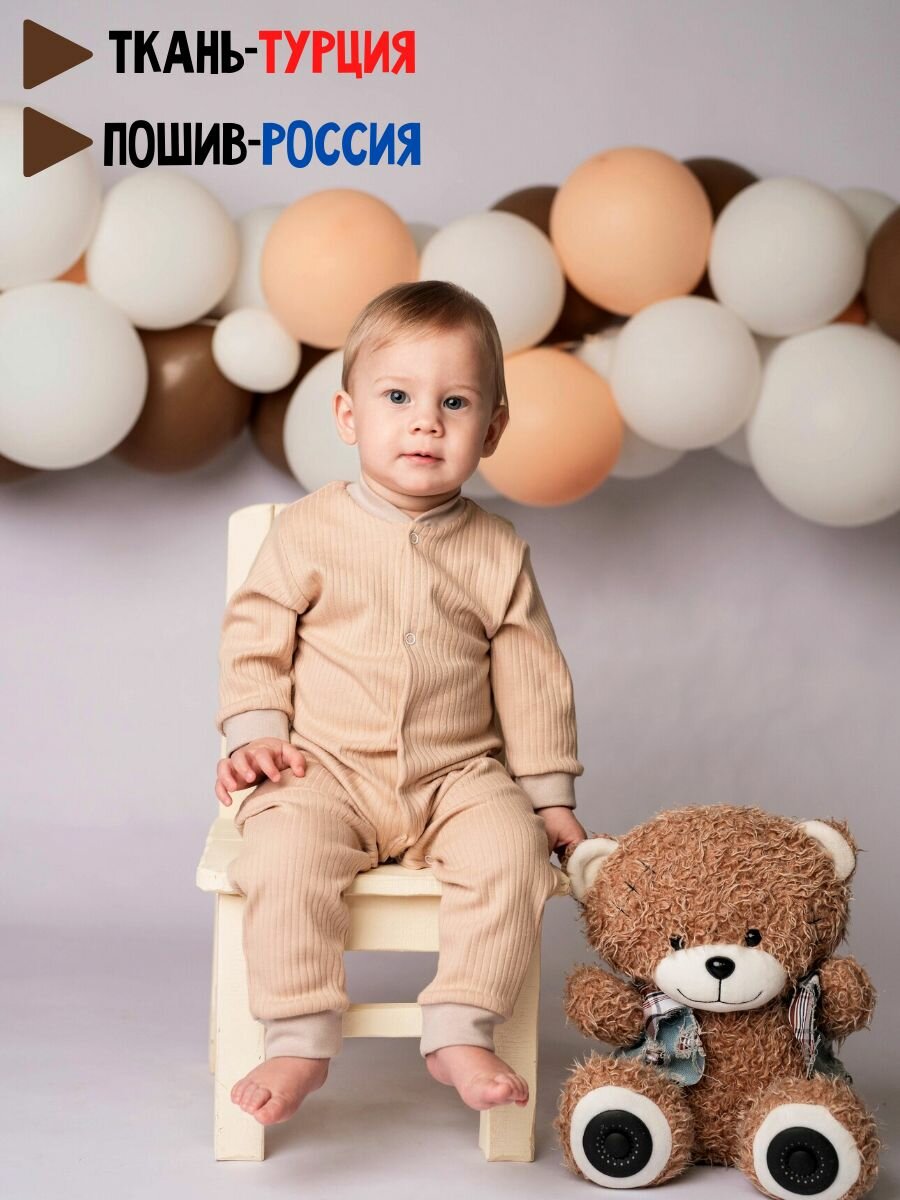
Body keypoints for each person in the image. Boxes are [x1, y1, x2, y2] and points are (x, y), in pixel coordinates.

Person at [214, 279, 588, 1126]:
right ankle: (298, 1033)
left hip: (457, 776)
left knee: (514, 855)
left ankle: (461, 1022)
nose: (426, 423)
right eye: (398, 398)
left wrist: (549, 798)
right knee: (281, 856)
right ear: (348, 417)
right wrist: (255, 734)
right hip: (322, 769)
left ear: (492, 429)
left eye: (455, 402)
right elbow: (254, 637)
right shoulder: (307, 530)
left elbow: (532, 676)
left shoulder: (497, 549)